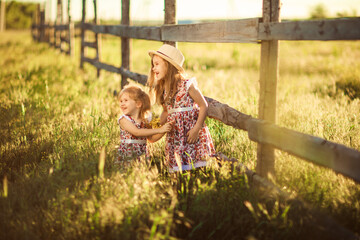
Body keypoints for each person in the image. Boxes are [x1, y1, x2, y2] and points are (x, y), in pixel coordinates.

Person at [147, 44, 215, 172]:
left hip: (190, 132)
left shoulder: (187, 85)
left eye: (156, 64)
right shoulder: (164, 89)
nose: (153, 68)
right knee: (178, 167)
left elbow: (203, 105)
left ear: (168, 65)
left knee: (195, 165)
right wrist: (156, 128)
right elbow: (166, 112)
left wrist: (196, 128)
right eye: (152, 64)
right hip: (175, 135)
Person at [116, 85, 172, 164]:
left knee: (140, 174)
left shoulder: (144, 121)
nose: (122, 104)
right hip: (128, 154)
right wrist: (160, 129)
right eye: (121, 101)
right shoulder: (124, 119)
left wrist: (164, 130)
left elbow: (151, 139)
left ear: (138, 104)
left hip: (142, 155)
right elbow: (137, 132)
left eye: (125, 100)